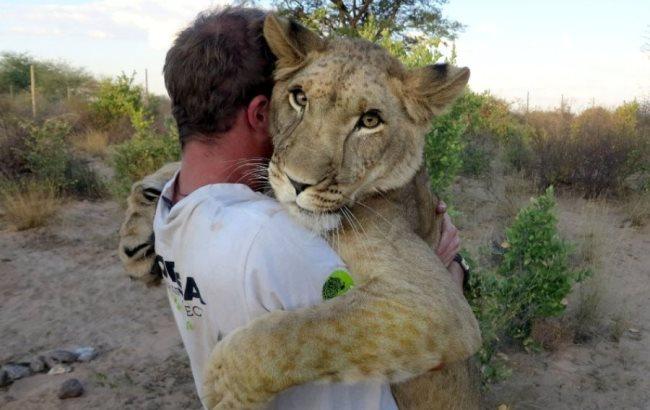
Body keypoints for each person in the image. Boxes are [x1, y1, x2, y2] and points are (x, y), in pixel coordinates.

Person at [153, 6, 466, 409]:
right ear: (261, 112)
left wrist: (259, 356)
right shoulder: (274, 241)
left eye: (368, 121)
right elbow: (433, 317)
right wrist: (451, 271)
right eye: (299, 98)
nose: (304, 170)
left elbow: (440, 323)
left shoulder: (173, 205)